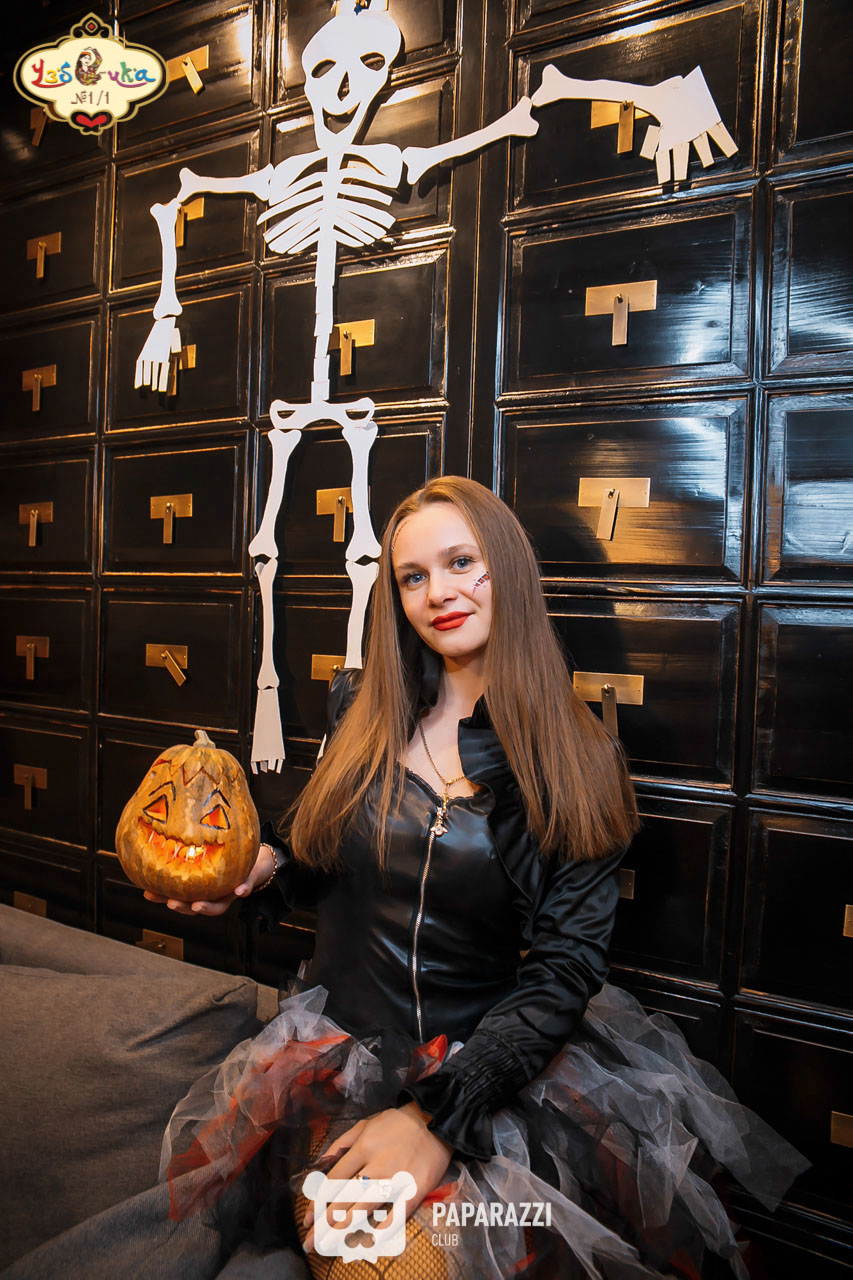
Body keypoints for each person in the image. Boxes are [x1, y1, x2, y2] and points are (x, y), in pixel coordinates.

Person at [146, 476, 808, 1279]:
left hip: (488, 1079)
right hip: (333, 1067)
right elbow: (325, 859)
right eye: (413, 576)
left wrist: (432, 1121)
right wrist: (260, 869)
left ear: (508, 568)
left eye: (461, 562)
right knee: (348, 1251)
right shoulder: (359, 705)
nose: (438, 593)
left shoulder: (577, 755)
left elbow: (565, 968)